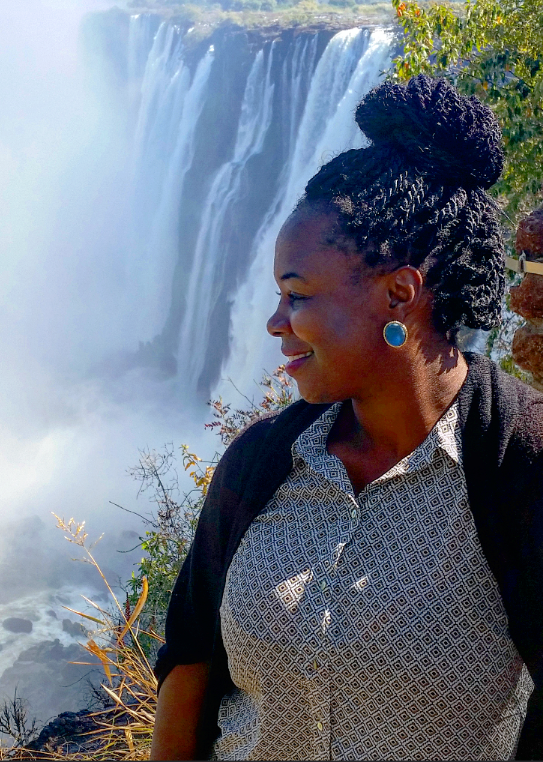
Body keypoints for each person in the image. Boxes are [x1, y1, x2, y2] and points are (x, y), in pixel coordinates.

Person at [149, 73, 543, 761]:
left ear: (399, 293)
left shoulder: (519, 464)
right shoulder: (260, 462)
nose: (275, 323)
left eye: (296, 295)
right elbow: (188, 663)